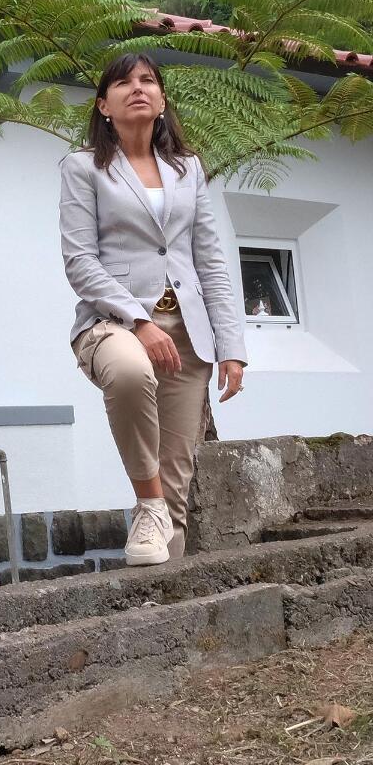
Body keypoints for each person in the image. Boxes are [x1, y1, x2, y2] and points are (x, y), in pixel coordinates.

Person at [59, 53, 246, 565]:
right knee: (127, 372)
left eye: (147, 81)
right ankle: (147, 501)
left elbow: (210, 261)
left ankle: (167, 605)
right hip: (113, 322)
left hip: (189, 332)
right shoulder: (83, 168)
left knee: (177, 480)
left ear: (162, 101)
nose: (136, 88)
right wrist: (139, 321)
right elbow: (80, 261)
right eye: (122, 82)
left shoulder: (189, 170)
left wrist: (231, 347)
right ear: (103, 105)